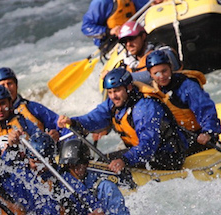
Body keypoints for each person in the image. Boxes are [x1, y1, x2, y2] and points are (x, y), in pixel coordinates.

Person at [58, 68, 188, 173]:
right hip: (142, 154)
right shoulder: (114, 104)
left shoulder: (145, 108)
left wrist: (124, 160)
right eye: (110, 92)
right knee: (102, 163)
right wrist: (73, 122)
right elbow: (93, 118)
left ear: (129, 88)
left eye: (117, 91)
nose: (113, 96)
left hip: (167, 156)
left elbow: (148, 145)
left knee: (106, 163)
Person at [146, 49, 221, 155]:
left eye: (164, 71)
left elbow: (206, 109)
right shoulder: (153, 91)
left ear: (171, 68)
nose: (161, 76)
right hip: (176, 139)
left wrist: (208, 132)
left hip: (197, 136)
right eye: (156, 73)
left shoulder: (188, 86)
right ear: (150, 75)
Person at [58, 140, 131, 215]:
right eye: (69, 167)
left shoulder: (106, 188)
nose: (74, 171)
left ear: (86, 164)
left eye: (78, 165)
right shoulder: (59, 182)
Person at [0, 67, 65, 140]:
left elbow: (59, 125)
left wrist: (56, 135)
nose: (7, 88)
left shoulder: (33, 108)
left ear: (16, 85)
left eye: (10, 83)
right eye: (2, 85)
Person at [111, 19, 180, 85]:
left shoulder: (163, 52)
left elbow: (156, 75)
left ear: (143, 36)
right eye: (125, 42)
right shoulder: (126, 63)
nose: (128, 44)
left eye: (131, 39)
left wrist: (123, 78)